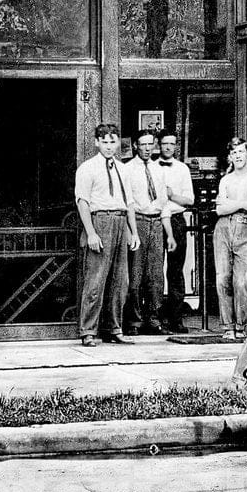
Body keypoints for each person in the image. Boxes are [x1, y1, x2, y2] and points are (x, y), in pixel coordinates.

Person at [75, 123, 141, 347]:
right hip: (100, 220)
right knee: (95, 279)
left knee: (120, 281)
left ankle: (115, 328)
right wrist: (91, 232)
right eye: (105, 141)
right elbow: (83, 202)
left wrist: (133, 232)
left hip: (121, 221)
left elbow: (129, 203)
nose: (109, 146)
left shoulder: (124, 169)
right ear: (97, 142)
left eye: (113, 141)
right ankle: (88, 331)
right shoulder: (88, 168)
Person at [122, 130, 176, 336]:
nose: (146, 148)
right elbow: (128, 204)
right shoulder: (127, 170)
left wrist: (169, 234)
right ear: (136, 145)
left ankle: (153, 320)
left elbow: (164, 205)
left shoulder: (159, 169)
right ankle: (134, 321)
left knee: (155, 276)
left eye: (150, 144)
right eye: (142, 144)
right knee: (135, 276)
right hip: (138, 222)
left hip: (156, 224)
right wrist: (131, 231)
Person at [213, 137, 247, 341]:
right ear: (230, 157)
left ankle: (241, 326)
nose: (238, 156)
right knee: (222, 278)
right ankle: (228, 327)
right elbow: (219, 209)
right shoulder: (226, 179)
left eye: (241, 152)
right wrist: (243, 202)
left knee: (242, 281)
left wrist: (231, 203)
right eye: (234, 153)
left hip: (245, 227)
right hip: (223, 227)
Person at [156, 128, 195, 334]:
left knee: (176, 270)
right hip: (155, 220)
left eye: (172, 143)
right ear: (158, 145)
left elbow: (190, 200)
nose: (168, 147)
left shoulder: (182, 169)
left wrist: (171, 195)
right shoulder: (151, 167)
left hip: (177, 220)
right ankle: (152, 317)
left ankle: (176, 318)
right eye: (164, 144)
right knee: (153, 270)